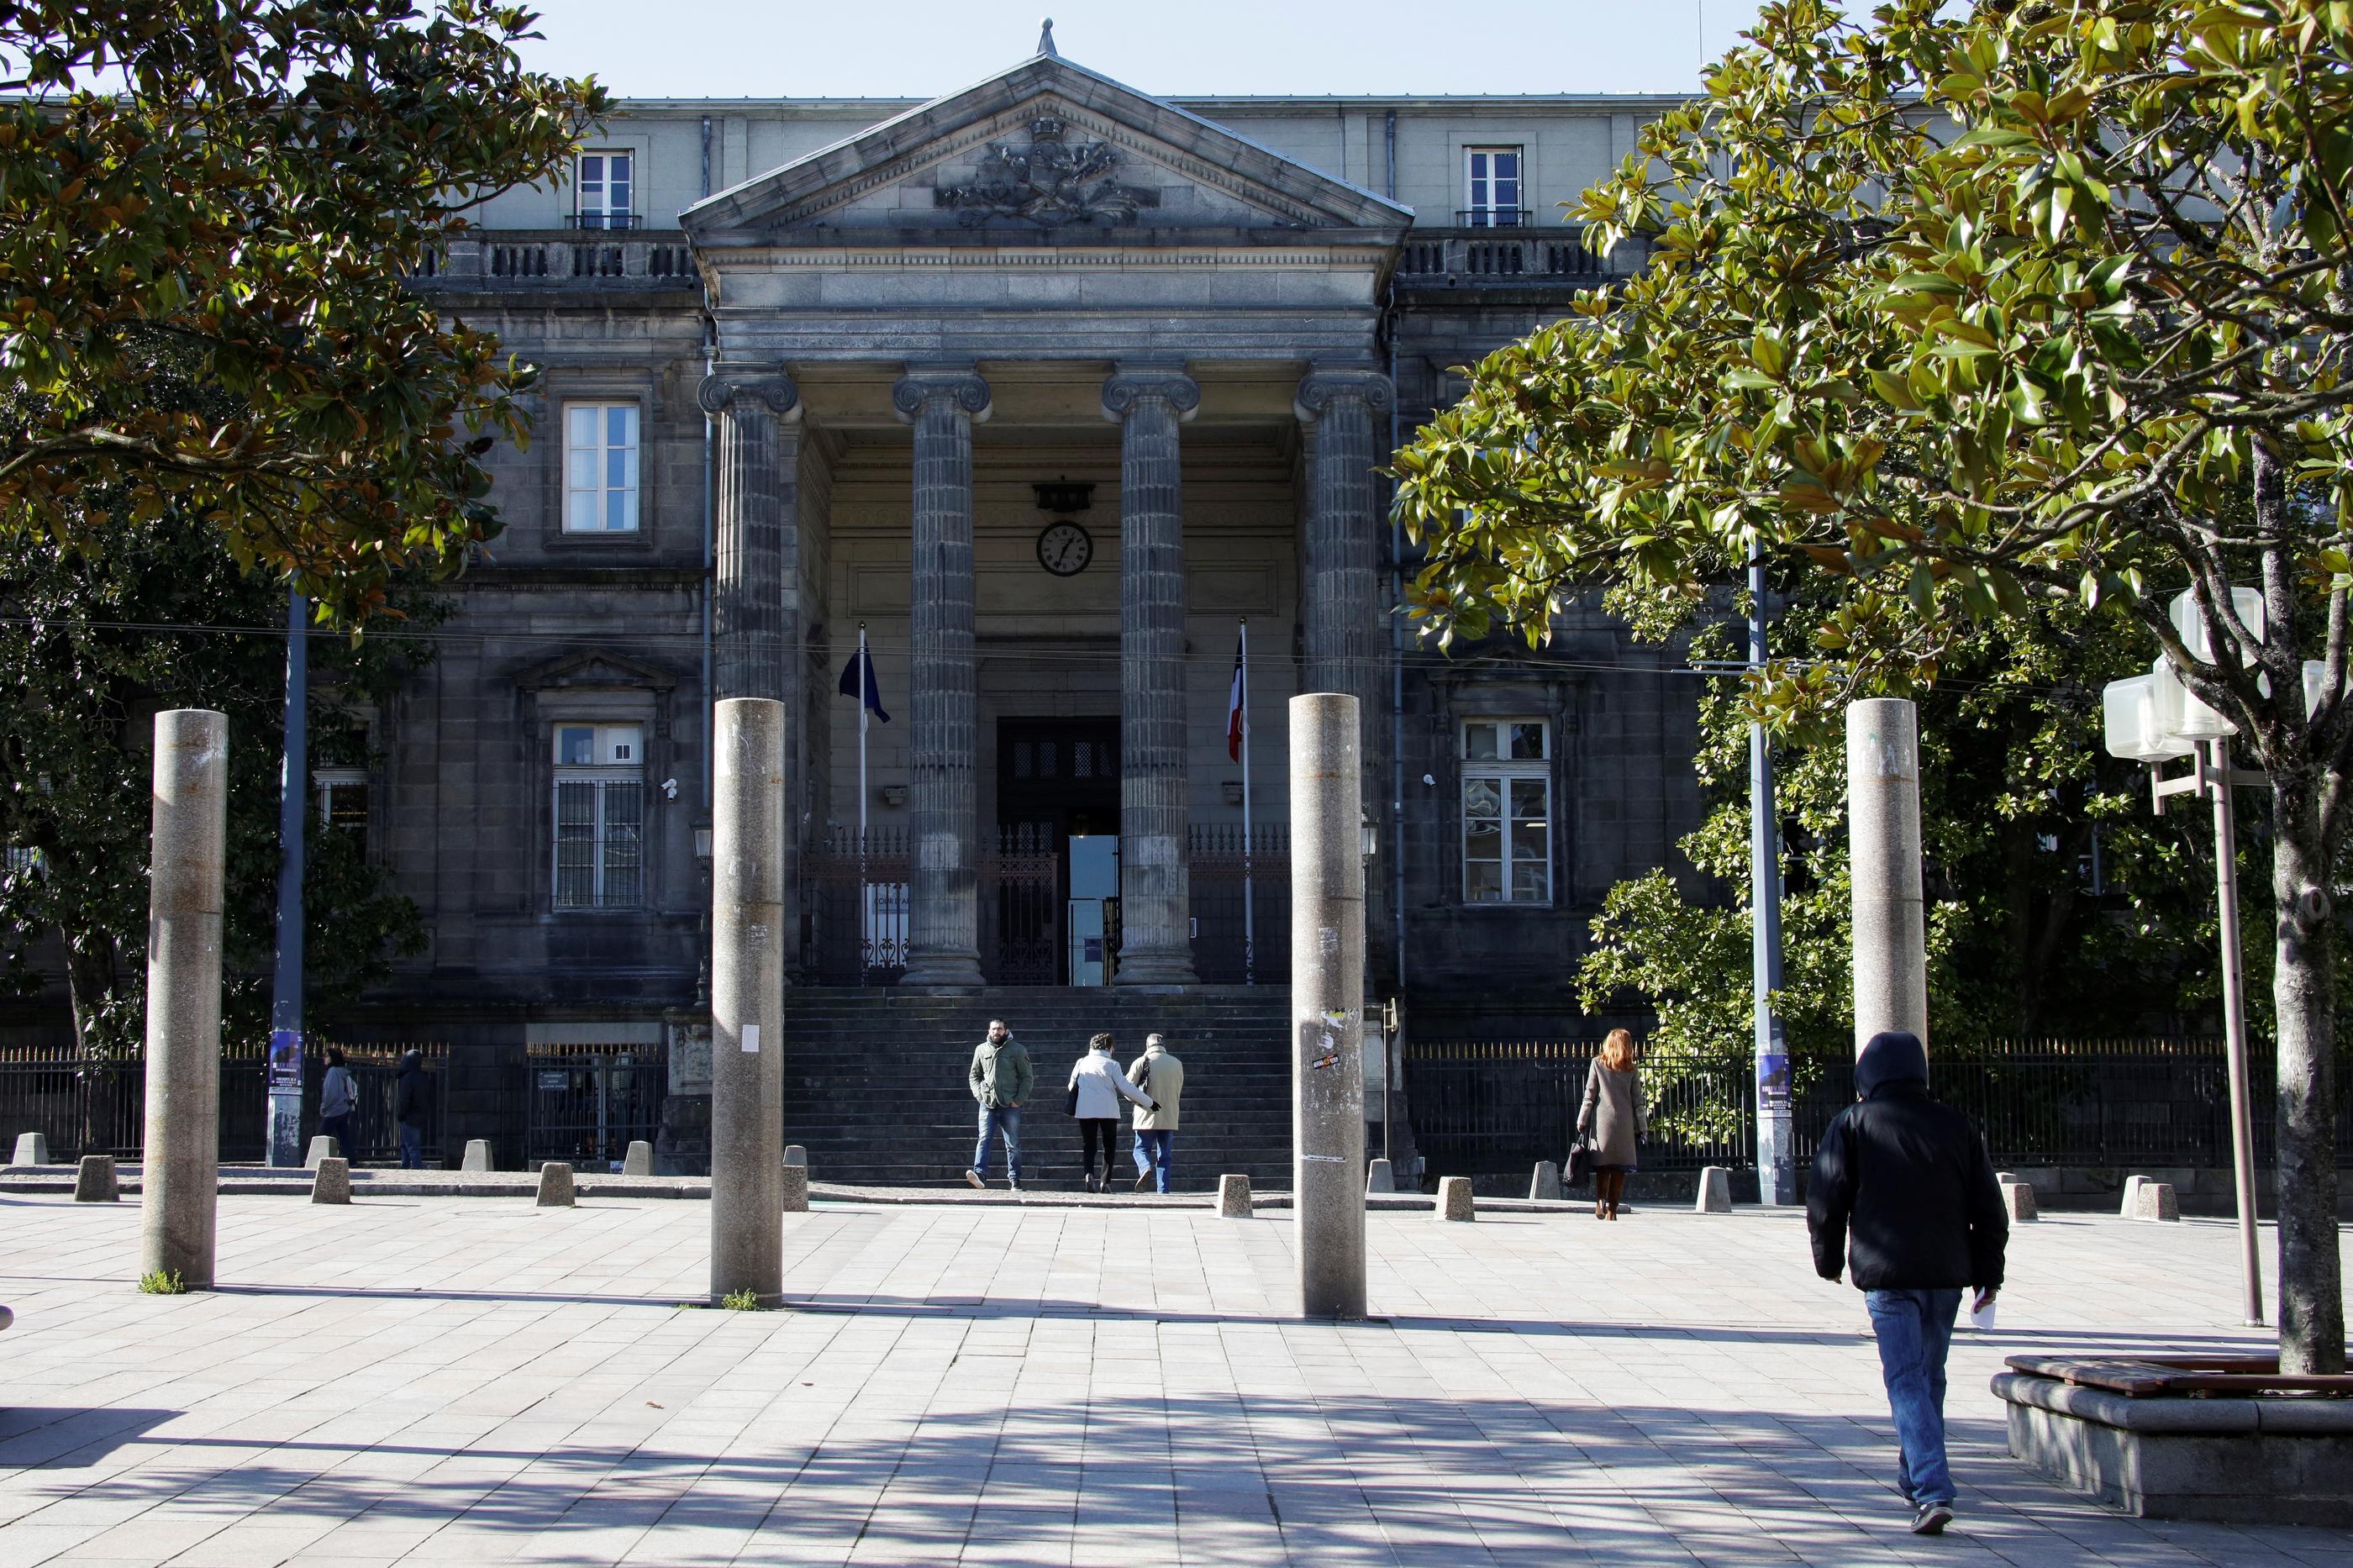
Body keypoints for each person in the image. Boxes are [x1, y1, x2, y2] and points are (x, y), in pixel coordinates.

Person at [1808, 1029, 2008, 1538]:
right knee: (1928, 1376)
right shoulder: (1955, 1124)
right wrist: (1989, 1277)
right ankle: (1913, 1475)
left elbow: (1827, 1201)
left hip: (1887, 1272)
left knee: (1905, 1379)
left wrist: (1828, 1262)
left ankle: (1933, 1489)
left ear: (1867, 1076)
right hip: (1946, 1275)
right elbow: (1989, 1208)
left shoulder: (1852, 1124)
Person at [1067, 1032, 1155, 1192]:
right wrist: (1149, 1102)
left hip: (1085, 1109)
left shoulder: (1081, 1062)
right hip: (1108, 1110)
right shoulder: (1112, 1064)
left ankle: (1088, 1174)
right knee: (1109, 1146)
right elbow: (1126, 1087)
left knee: (1089, 1145)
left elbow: (1071, 1085)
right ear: (1109, 1047)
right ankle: (1105, 1182)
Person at [1575, 1028, 1647, 1219]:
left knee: (1603, 1167)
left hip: (1603, 1124)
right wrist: (1643, 1128)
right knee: (1620, 1168)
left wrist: (1582, 1120)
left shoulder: (1597, 1064)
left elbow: (1589, 1096)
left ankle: (1600, 1201)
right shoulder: (1631, 1068)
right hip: (1624, 1125)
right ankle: (1612, 1210)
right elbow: (1638, 1102)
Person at [966, 1018, 1033, 1191]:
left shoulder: (1017, 1050)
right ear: (989, 1031)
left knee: (1012, 1143)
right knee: (983, 1138)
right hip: (987, 1103)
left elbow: (1027, 1077)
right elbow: (974, 1075)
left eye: (1000, 1029)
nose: (997, 1032)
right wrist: (979, 1095)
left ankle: (1015, 1179)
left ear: (1006, 1030)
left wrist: (1018, 1100)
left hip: (1009, 1104)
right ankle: (979, 1174)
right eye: (994, 1029)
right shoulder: (981, 1049)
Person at [1124, 1033, 1184, 1193]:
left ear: (1147, 1046)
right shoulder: (1176, 1063)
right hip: (1169, 1115)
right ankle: (1163, 1190)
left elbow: (1126, 1088)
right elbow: (1179, 1088)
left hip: (1146, 1114)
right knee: (1165, 1155)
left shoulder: (1140, 1062)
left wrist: (1137, 1101)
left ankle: (1144, 1168)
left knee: (1141, 1148)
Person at [318, 1047, 357, 1161]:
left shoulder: (333, 1072)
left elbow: (331, 1093)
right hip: (344, 1108)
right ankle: (352, 1161)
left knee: (321, 1136)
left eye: (326, 1056)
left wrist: (324, 1107)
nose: (324, 1059)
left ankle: (316, 1160)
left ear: (332, 1058)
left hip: (334, 1109)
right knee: (344, 1136)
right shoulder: (342, 1071)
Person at [393, 1048, 428, 1171]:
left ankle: (416, 1171)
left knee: (411, 1147)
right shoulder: (422, 1077)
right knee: (407, 1145)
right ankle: (405, 1167)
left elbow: (404, 1099)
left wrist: (401, 1114)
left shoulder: (408, 1078)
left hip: (409, 1116)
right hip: (420, 1116)